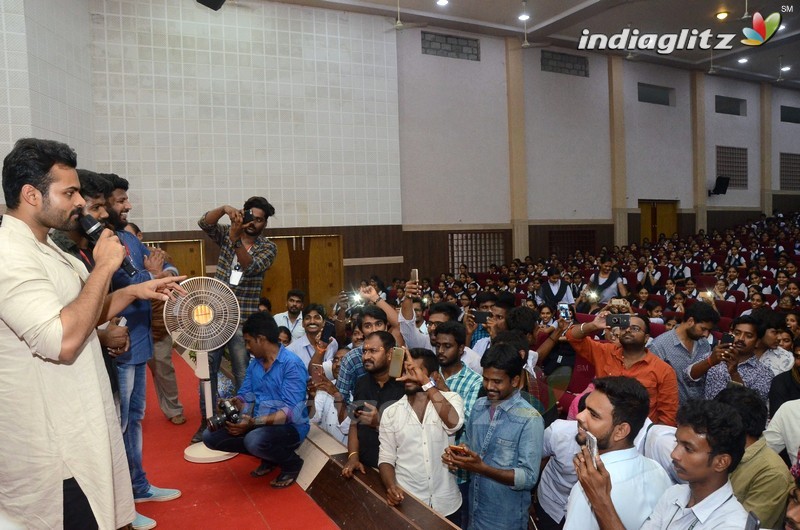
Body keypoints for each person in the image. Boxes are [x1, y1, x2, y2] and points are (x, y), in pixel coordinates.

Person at [0, 138, 183, 529]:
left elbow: (84, 310)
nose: (79, 201)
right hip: (52, 448)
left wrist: (134, 290)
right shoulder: (9, 256)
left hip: (79, 429)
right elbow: (62, 341)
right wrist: (103, 267)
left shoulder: (49, 249)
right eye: (69, 192)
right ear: (31, 195)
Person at [103, 172, 183, 514]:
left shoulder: (130, 240)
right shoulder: (104, 243)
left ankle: (138, 486)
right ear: (103, 204)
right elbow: (127, 279)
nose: (128, 205)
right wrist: (150, 276)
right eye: (120, 200)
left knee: (135, 418)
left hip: (141, 340)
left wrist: (155, 274)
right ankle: (120, 503)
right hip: (119, 345)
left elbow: (158, 269)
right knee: (119, 424)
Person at [573, 399, 748, 530]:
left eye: (688, 449)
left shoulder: (731, 525)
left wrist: (601, 500)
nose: (674, 454)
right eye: (677, 443)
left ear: (721, 462)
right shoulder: (675, 494)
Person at [193, 198, 277, 443]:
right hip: (215, 317)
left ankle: (244, 425)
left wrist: (235, 238)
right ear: (243, 214)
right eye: (250, 217)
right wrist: (223, 209)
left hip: (243, 322)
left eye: (259, 220)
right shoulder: (227, 232)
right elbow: (203, 223)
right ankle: (206, 422)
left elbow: (248, 266)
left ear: (265, 224)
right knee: (207, 374)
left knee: (243, 374)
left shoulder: (268, 247)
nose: (253, 223)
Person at [443, 343, 544, 530]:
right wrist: (458, 457)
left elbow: (528, 477)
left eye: (497, 381)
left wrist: (482, 468)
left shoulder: (530, 420)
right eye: (485, 379)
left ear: (514, 381)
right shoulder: (480, 405)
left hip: (505, 520)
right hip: (475, 511)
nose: (489, 386)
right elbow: (470, 445)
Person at [202, 312, 309, 488]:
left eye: (248, 341)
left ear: (261, 339)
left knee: (254, 440)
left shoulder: (292, 364)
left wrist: (253, 423)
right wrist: (236, 401)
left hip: (290, 427)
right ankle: (269, 457)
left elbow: (291, 412)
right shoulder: (255, 363)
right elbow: (246, 393)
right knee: (210, 437)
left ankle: (291, 463)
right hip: (258, 424)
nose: (247, 347)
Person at [563, 376, 672, 530]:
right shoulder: (658, 470)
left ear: (621, 431)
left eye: (593, 415)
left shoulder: (589, 491)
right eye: (584, 408)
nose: (579, 416)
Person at [378, 348, 464, 524]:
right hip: (409, 504)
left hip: (447, 505)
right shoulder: (390, 412)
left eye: (415, 370)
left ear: (432, 375)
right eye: (405, 371)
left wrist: (426, 383)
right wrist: (391, 487)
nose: (409, 376)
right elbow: (386, 458)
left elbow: (454, 423)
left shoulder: (451, 398)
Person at [123, 221, 186, 426]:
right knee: (130, 374)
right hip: (129, 325)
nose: (125, 241)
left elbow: (172, 270)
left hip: (158, 325)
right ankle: (128, 415)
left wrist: (161, 274)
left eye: (129, 236)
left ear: (139, 237)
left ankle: (173, 409)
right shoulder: (116, 256)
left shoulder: (155, 255)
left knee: (163, 369)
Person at [567, 312, 679, 425]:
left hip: (638, 434)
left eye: (635, 328)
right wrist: (593, 325)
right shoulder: (605, 352)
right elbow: (572, 336)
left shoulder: (664, 370)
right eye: (624, 327)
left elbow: (668, 416)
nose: (628, 330)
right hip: (601, 425)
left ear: (646, 338)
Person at [716, 386, 793, 529]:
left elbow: (744, 527)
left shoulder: (771, 473)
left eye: (714, 424)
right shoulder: (723, 453)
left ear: (732, 428)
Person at [341, 331, 406, 477]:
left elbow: (413, 435)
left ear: (390, 354)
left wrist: (379, 424)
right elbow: (354, 424)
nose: (366, 357)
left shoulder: (405, 386)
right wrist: (353, 457)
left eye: (373, 351)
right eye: (364, 351)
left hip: (397, 473)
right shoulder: (362, 383)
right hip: (365, 467)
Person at [649, 301, 720, 403]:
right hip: (672, 411)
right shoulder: (659, 346)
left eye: (708, 330)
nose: (705, 334)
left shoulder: (704, 344)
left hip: (699, 409)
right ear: (690, 321)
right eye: (703, 329)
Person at [703, 315, 774, 402]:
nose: (741, 339)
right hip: (706, 413)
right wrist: (710, 361)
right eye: (737, 333)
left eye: (748, 336)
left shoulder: (764, 374)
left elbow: (754, 405)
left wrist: (734, 373)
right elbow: (688, 378)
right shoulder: (714, 356)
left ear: (758, 342)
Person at [307, 347, 351, 446]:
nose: (338, 364)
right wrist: (312, 396)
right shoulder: (326, 386)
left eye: (344, 360)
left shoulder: (359, 390)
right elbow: (312, 419)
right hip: (324, 448)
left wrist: (336, 394)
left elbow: (347, 428)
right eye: (336, 360)